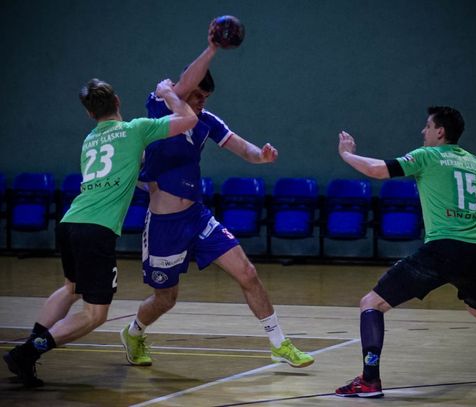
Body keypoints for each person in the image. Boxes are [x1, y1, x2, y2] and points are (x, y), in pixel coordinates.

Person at [120, 25, 314, 369]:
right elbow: (183, 84)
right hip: (164, 224)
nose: (201, 102)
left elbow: (243, 148)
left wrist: (261, 156)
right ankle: (134, 332)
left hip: (197, 217)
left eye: (205, 98)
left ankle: (279, 343)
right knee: (166, 299)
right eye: (197, 96)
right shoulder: (160, 105)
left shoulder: (206, 121)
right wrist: (212, 49)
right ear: (183, 91)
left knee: (247, 272)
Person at [3, 78, 198, 387]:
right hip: (97, 230)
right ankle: (28, 352)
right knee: (95, 315)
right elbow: (189, 119)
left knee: (71, 288)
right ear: (117, 101)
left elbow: (122, 166)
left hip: (70, 221)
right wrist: (167, 93)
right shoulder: (135, 129)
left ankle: (28, 349)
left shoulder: (90, 140)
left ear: (89, 113)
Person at [334, 106, 476, 398]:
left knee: (371, 303)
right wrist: (473, 224)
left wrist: (347, 154)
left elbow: (377, 170)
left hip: (442, 249)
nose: (423, 131)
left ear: (440, 132)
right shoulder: (473, 161)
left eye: (428, 126)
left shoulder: (427, 156)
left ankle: (369, 380)